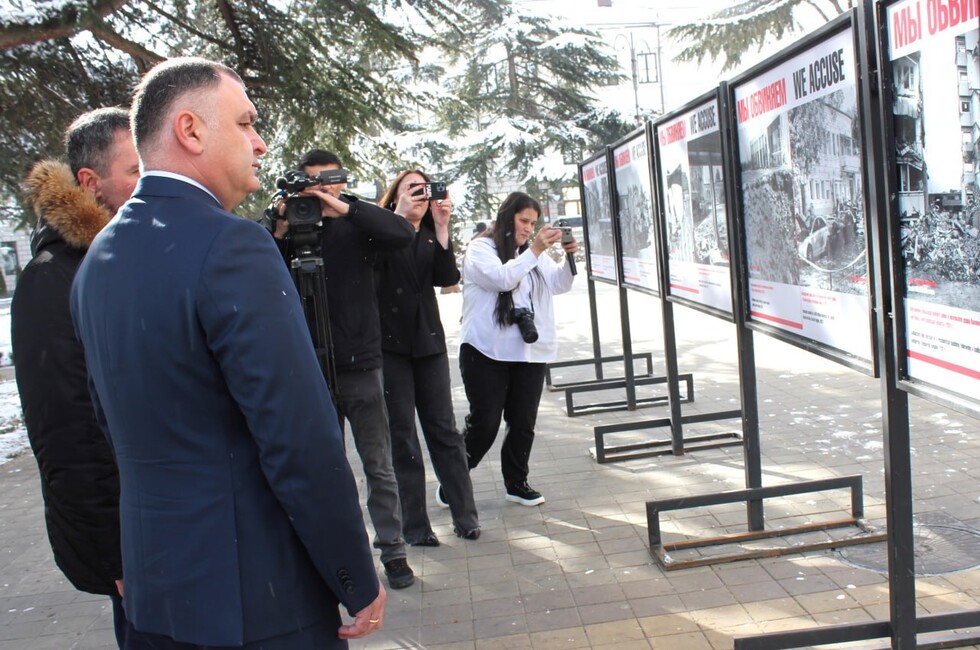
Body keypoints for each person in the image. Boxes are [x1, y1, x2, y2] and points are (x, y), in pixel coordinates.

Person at [70, 57, 385, 649]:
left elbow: (110, 429)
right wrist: (354, 572)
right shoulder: (232, 245)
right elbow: (298, 436)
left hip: (156, 597)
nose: (261, 143)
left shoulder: (97, 261)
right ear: (190, 130)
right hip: (256, 601)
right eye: (245, 123)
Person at [12, 107, 143, 649]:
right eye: (135, 171)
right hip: (132, 545)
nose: (149, 183)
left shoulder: (124, 258)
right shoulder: (53, 279)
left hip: (169, 524)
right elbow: (65, 433)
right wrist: (114, 555)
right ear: (89, 183)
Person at [271, 149, 418, 584]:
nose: (319, 190)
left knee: (378, 464)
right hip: (310, 367)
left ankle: (393, 551)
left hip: (361, 364)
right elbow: (257, 272)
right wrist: (279, 229)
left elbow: (401, 233)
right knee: (326, 470)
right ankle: (340, 557)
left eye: (328, 181)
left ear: (340, 182)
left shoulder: (358, 223)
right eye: (311, 183)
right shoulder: (291, 226)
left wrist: (342, 207)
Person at [376, 170, 480, 545]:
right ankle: (416, 527)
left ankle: (465, 516)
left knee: (445, 432)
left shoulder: (428, 234)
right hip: (390, 349)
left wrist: (441, 225)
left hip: (428, 344)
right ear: (395, 196)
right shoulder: (380, 231)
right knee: (402, 436)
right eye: (411, 189)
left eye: (424, 189)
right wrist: (398, 217)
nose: (420, 195)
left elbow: (446, 276)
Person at [459, 191, 577, 506]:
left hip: (528, 352)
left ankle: (517, 482)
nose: (528, 228)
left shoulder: (534, 254)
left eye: (533, 223)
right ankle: (454, 477)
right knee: (485, 422)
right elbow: (502, 279)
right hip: (486, 351)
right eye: (523, 220)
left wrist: (567, 256)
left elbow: (559, 284)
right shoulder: (481, 249)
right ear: (507, 216)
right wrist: (535, 250)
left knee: (523, 422)